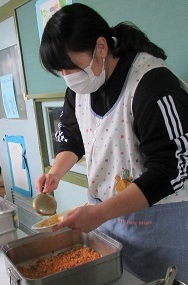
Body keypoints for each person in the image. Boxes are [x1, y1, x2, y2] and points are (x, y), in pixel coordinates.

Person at [36, 3, 188, 282]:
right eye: (61, 71)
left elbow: (171, 169)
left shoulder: (152, 84)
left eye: (71, 66)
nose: (68, 77)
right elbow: (72, 136)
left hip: (158, 225)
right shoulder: (81, 87)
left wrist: (98, 214)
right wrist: (55, 172)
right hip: (109, 225)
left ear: (101, 47)